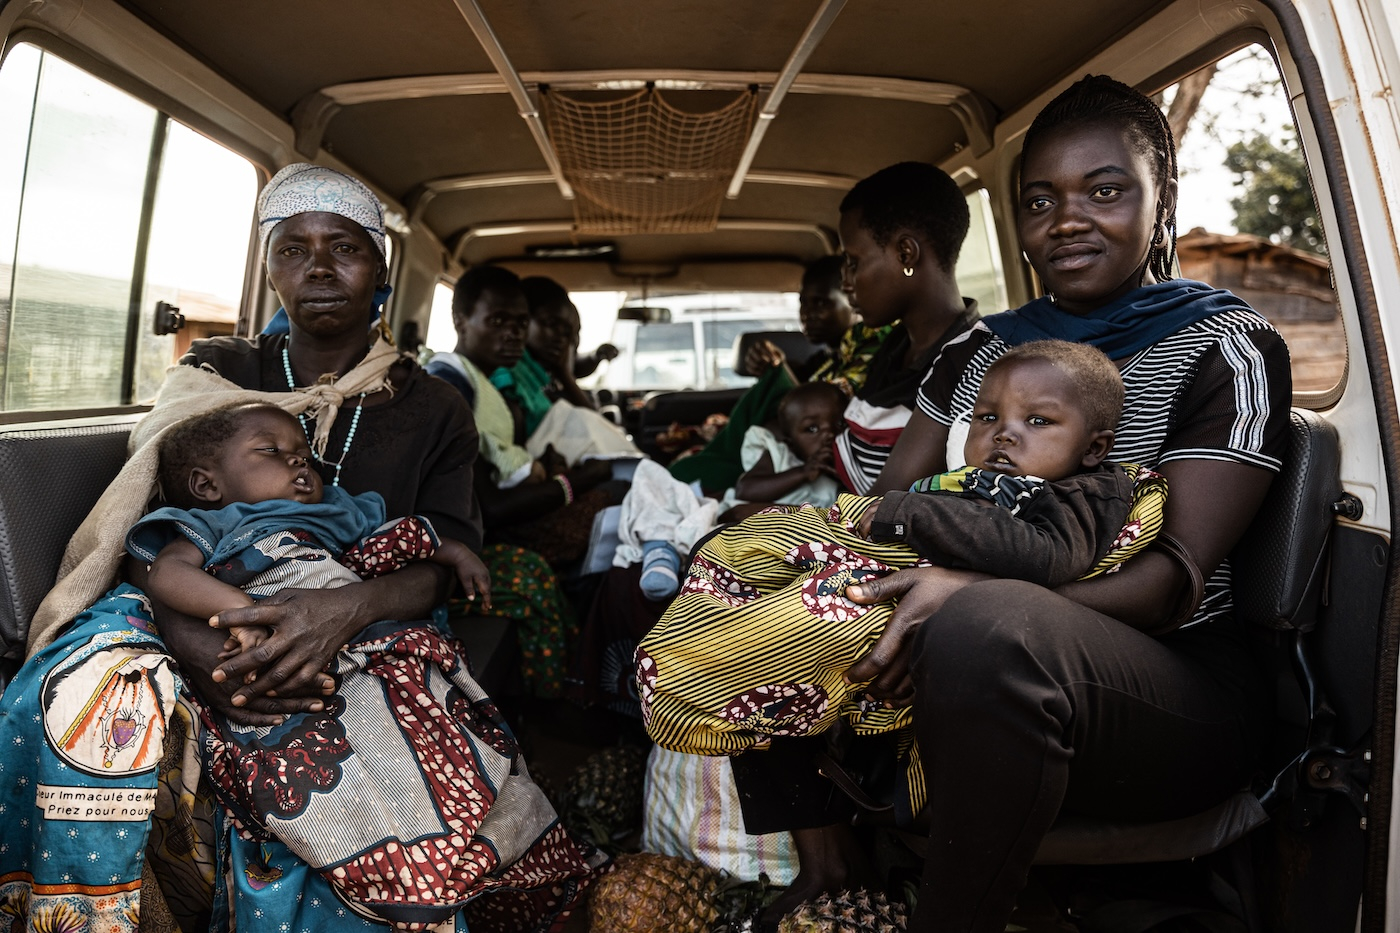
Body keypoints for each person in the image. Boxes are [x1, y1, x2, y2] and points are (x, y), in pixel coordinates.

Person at [730, 75, 1292, 931]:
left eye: (1105, 190)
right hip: (972, 643)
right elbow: (888, 503)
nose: (1068, 220)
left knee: (987, 625)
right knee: (763, 575)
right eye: (1040, 200)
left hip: (1169, 682)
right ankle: (832, 871)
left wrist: (965, 596)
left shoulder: (1227, 345)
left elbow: (1173, 582)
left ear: (1161, 196)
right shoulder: (981, 346)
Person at [1, 163, 604, 933]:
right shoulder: (217, 372)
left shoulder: (434, 407)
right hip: (201, 602)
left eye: (344, 247)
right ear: (270, 268)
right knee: (89, 693)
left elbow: (439, 558)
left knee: (383, 749)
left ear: (382, 269)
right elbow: (145, 523)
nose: (319, 268)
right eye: (294, 249)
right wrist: (200, 646)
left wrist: (342, 609)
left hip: (370, 615)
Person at [641, 341, 1165, 826]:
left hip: (916, 591)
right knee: (745, 538)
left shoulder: (1083, 492)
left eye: (1037, 420)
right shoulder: (973, 477)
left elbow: (1048, 557)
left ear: (1094, 448)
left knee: (820, 614)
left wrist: (906, 513)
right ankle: (711, 628)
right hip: (883, 556)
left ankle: (699, 681)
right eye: (988, 417)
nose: (1004, 433)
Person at [128, 402, 509, 925]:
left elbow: (405, 538)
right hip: (264, 632)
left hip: (353, 634)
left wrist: (456, 554)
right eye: (273, 452)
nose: (300, 464)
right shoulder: (211, 522)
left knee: (413, 713)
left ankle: (430, 837)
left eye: (305, 454)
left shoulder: (339, 509)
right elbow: (168, 576)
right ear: (207, 484)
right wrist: (242, 613)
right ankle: (363, 852)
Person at [426, 264, 626, 694]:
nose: (513, 334)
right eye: (497, 322)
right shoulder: (453, 390)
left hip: (495, 522)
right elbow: (492, 507)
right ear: (461, 321)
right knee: (610, 506)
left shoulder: (491, 385)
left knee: (617, 498)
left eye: (519, 324)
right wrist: (573, 483)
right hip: (474, 537)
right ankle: (562, 692)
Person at [668, 254, 896, 496]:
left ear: (852, 300)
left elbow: (813, 405)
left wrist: (781, 373)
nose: (807, 313)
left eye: (820, 303)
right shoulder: (823, 363)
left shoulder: (874, 350)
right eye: (803, 303)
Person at [730, 381, 846, 509]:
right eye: (812, 429)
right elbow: (745, 489)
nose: (830, 434)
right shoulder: (780, 457)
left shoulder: (849, 465)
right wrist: (803, 472)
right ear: (791, 442)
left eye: (840, 423)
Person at [519, 275, 601, 414]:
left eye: (567, 333)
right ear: (523, 320)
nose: (561, 339)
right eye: (551, 324)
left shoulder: (548, 378)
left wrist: (564, 374)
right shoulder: (515, 376)